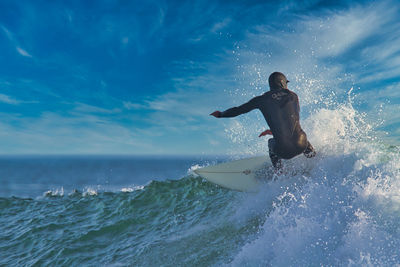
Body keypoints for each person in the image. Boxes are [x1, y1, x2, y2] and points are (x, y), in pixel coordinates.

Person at [210, 72, 316, 169]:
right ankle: (313, 156)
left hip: (284, 151)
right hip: (302, 144)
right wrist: (273, 131)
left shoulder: (262, 99)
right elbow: (292, 121)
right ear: (283, 83)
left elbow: (239, 110)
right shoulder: (293, 96)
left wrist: (221, 114)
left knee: (270, 143)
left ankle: (279, 172)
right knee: (300, 134)